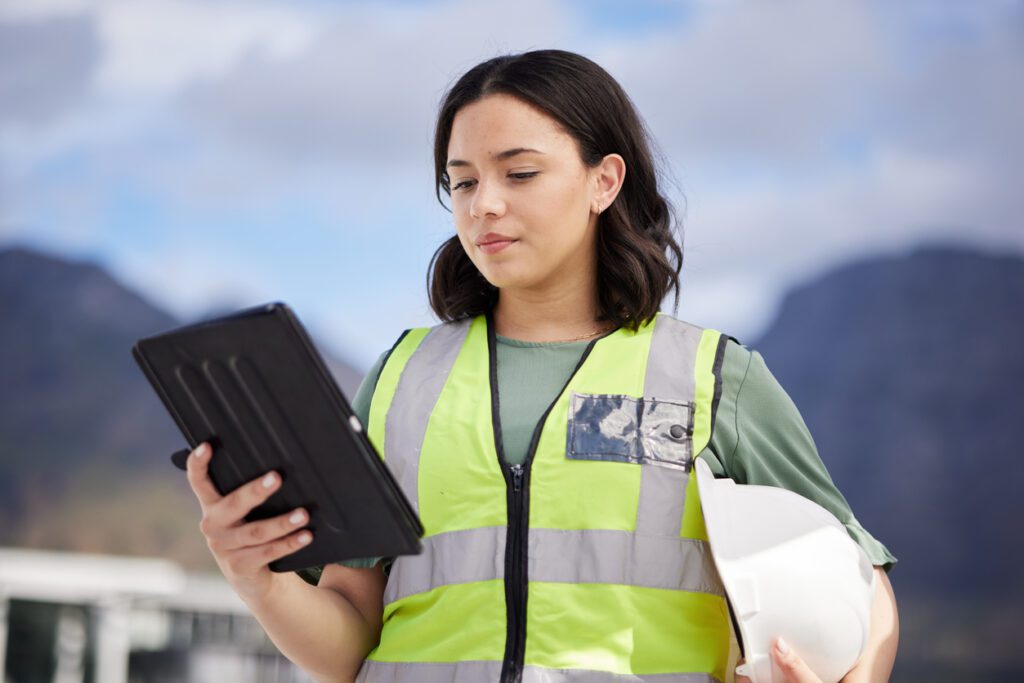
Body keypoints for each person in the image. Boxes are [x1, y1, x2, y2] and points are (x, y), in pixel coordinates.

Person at [184, 49, 899, 683]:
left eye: (519, 172)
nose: (484, 205)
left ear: (604, 181)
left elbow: (858, 581)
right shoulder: (401, 377)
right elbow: (347, 643)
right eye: (461, 183)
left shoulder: (712, 375)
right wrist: (260, 582)